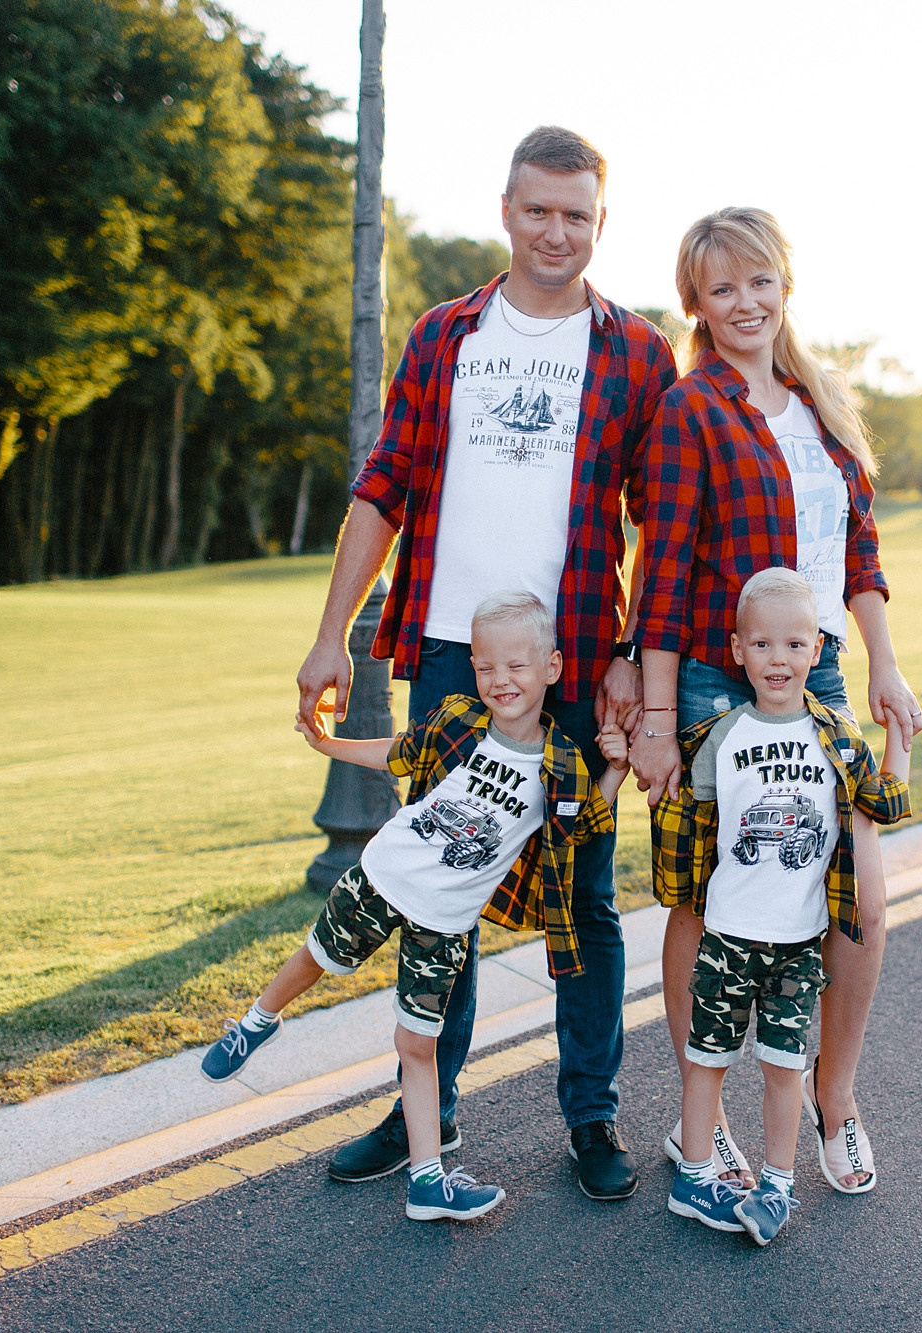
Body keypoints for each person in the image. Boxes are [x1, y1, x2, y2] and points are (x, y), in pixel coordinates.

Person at [294, 127, 677, 1200]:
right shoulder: (445, 334)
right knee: (439, 885)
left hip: (573, 659)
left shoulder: (637, 353)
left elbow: (658, 522)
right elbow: (383, 486)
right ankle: (428, 1110)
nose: (556, 233)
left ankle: (590, 1118)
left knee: (584, 895)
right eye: (538, 210)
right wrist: (334, 630)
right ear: (505, 210)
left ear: (600, 225)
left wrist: (628, 658)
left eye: (578, 216)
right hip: (454, 654)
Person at [630, 207, 922, 1195]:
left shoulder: (820, 402)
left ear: (784, 285)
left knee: (861, 905)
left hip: (825, 674)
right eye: (720, 289)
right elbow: (661, 573)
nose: (743, 302)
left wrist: (883, 664)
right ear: (697, 307)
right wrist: (661, 718)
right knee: (705, 901)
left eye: (757, 281)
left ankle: (833, 1097)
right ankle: (698, 1120)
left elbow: (862, 556)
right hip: (719, 681)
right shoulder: (690, 409)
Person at [201, 592, 629, 1222]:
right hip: (381, 878)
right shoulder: (457, 718)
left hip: (443, 927)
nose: (499, 680)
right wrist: (325, 745)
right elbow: (395, 752)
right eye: (486, 666)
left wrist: (616, 766)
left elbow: (587, 820)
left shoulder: (560, 763)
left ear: (553, 669)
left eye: (516, 666)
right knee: (317, 956)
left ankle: (428, 1180)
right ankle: (259, 1020)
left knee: (418, 1044)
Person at [651, 568, 910, 1244]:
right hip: (728, 937)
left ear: (819, 650)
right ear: (737, 650)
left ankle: (777, 1185)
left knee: (783, 1065)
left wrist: (900, 746)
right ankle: (697, 1175)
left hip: (798, 943)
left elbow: (884, 802)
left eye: (795, 645)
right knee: (708, 1057)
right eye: (762, 645)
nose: (779, 659)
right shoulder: (721, 735)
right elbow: (688, 814)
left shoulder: (836, 739)